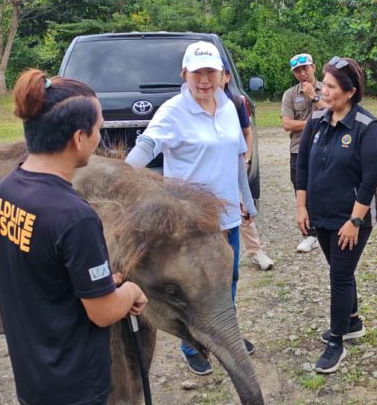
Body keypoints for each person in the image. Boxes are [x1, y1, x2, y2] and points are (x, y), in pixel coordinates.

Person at [0, 69, 147, 405]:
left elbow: (39, 269)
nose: (99, 137)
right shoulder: (74, 217)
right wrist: (128, 291)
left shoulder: (5, 191)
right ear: (78, 137)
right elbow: (103, 312)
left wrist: (95, 282)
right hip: (74, 377)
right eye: (98, 129)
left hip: (36, 363)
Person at [125, 41, 254, 375]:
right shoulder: (173, 111)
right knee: (193, 289)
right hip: (190, 224)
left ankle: (225, 336)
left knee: (228, 279)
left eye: (211, 72)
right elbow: (147, 145)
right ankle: (192, 345)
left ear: (223, 75)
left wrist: (247, 199)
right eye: (197, 73)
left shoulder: (229, 106)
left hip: (227, 217)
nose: (204, 80)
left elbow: (237, 155)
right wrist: (122, 178)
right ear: (184, 74)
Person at [295, 56, 377, 374]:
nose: (324, 90)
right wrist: (301, 207)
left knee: (340, 276)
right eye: (325, 84)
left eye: (332, 87)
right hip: (321, 215)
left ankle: (336, 341)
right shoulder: (317, 121)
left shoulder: (367, 127)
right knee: (339, 269)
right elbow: (302, 167)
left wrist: (355, 221)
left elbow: (371, 179)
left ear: (350, 91)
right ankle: (352, 321)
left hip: (352, 219)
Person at [219, 58, 275, 271]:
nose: (208, 80)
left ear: (226, 77)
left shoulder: (235, 102)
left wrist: (246, 159)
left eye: (216, 73)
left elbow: (247, 132)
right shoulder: (193, 104)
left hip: (233, 166)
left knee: (242, 207)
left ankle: (256, 251)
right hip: (208, 169)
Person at [282, 53, 327, 253]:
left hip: (325, 147)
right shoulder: (290, 94)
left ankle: (326, 228)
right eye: (297, 71)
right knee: (301, 189)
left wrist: (313, 97)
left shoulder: (327, 88)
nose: (302, 73)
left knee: (324, 187)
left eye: (305, 68)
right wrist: (315, 122)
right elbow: (287, 124)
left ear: (313, 67)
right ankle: (310, 234)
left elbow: (334, 113)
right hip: (299, 149)